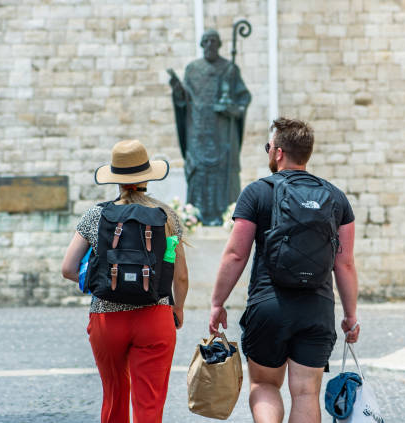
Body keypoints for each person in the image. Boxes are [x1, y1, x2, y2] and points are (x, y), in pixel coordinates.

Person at [208, 118, 360, 423]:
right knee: (305, 393)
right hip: (317, 308)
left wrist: (217, 303)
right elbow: (344, 263)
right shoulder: (335, 198)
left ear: (278, 152)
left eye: (269, 147)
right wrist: (350, 315)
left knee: (264, 383)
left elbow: (236, 254)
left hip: (269, 306)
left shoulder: (258, 193)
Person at [61, 139, 189, 423]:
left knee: (114, 395)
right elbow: (179, 275)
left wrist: (99, 283)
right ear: (146, 177)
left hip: (107, 318)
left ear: (115, 180)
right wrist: (177, 308)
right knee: (149, 404)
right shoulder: (167, 216)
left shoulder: (96, 215)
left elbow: (68, 269)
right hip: (155, 316)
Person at [168, 28, 251, 226]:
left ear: (219, 44)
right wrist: (178, 91)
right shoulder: (192, 69)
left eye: (213, 41)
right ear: (201, 44)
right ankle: (195, 216)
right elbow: (185, 102)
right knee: (199, 173)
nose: (209, 45)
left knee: (222, 174)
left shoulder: (230, 69)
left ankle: (225, 216)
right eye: (206, 41)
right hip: (198, 131)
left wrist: (232, 109)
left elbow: (243, 98)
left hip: (222, 133)